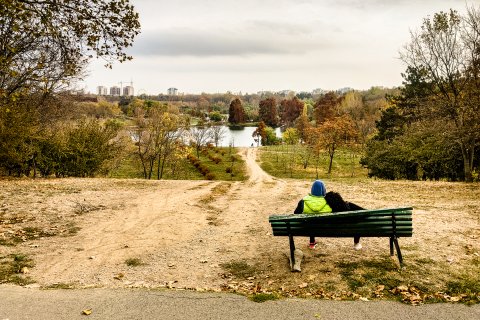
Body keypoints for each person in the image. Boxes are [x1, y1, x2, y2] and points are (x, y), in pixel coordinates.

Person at [294, 180, 332, 249]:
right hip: (325, 228)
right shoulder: (329, 201)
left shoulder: (303, 201)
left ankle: (312, 242)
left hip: (307, 228)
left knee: (310, 221)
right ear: (323, 190)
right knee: (315, 221)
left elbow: (296, 214)